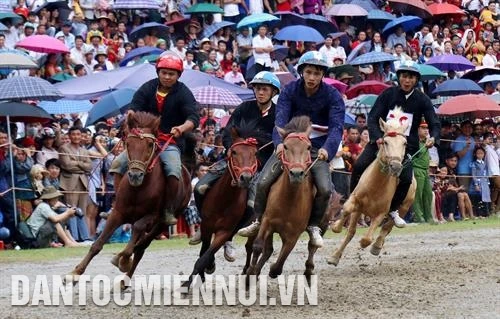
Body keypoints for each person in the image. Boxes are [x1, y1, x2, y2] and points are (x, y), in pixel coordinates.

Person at [238, 51, 345, 248]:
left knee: (324, 188)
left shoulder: (334, 96)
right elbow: (280, 121)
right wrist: (279, 143)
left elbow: (337, 128)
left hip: (317, 149)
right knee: (262, 183)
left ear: (323, 75)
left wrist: (328, 151)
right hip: (289, 147)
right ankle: (258, 221)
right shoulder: (289, 91)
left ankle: (313, 225)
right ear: (302, 72)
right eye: (309, 72)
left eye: (317, 73)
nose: (312, 77)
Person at [191, 71, 280, 259]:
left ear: (273, 92)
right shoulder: (243, 108)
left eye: (265, 89)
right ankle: (203, 225)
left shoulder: (278, 114)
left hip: (260, 164)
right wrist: (231, 147)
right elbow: (227, 132)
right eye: (257, 88)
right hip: (234, 160)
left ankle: (229, 236)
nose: (260, 92)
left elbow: (278, 139)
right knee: (199, 188)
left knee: (250, 205)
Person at [109, 54, 199, 225]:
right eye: (164, 72)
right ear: (158, 72)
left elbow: (192, 118)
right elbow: (134, 109)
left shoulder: (184, 92)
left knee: (173, 168)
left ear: (178, 75)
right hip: (143, 139)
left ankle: (168, 209)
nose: (167, 77)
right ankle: (117, 204)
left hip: (169, 141)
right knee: (117, 164)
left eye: (171, 74)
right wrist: (130, 119)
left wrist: (181, 128)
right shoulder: (147, 88)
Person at [350, 63, 441, 228]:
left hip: (406, 147)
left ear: (416, 80)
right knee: (359, 165)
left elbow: (434, 122)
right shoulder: (388, 94)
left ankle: (392, 210)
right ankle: (352, 200)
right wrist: (377, 137)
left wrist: (433, 137)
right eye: (404, 76)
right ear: (399, 78)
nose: (407, 80)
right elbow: (373, 117)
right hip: (382, 142)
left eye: (411, 77)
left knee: (406, 179)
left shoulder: (423, 99)